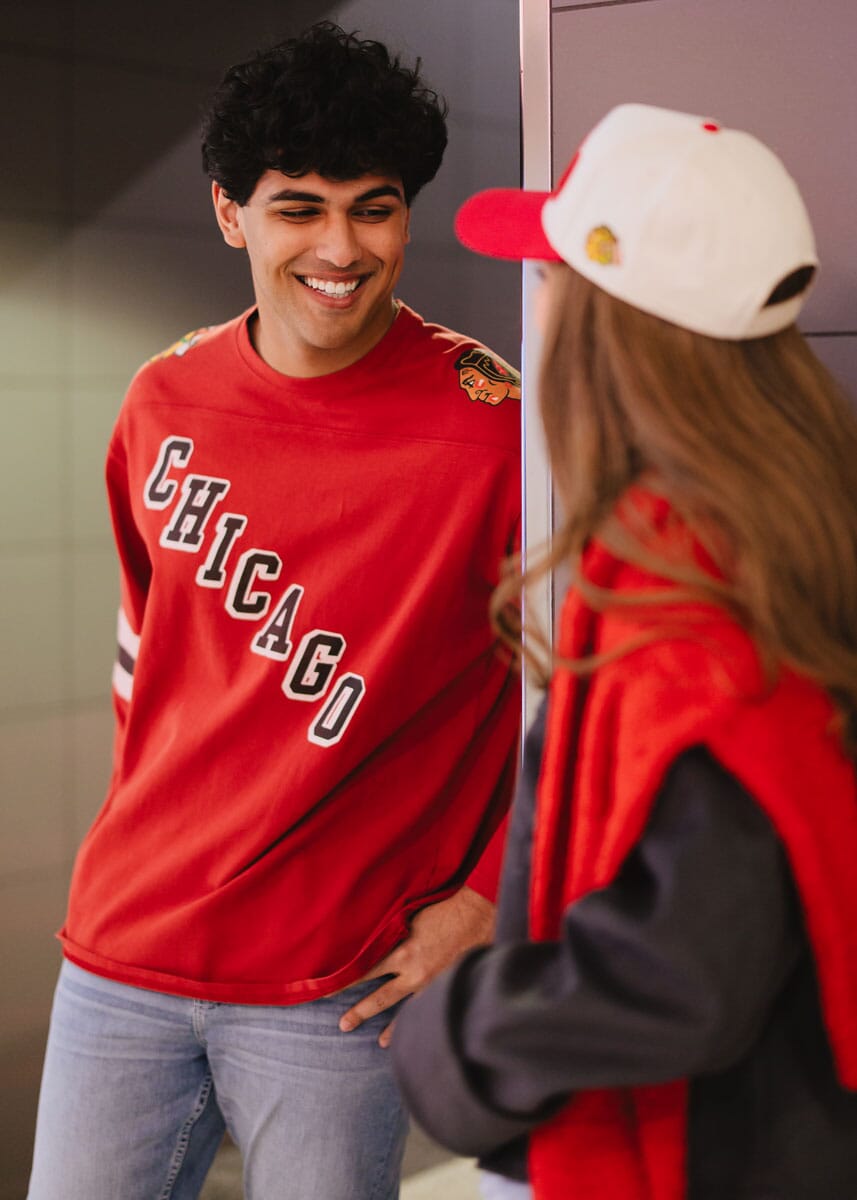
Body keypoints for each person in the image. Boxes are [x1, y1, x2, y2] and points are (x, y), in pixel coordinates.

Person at [27, 23, 521, 1200]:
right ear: (228, 214)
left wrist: (496, 894)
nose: (341, 248)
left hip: (337, 986)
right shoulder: (163, 399)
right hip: (122, 956)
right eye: (298, 207)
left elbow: (582, 688)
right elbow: (145, 668)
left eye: (374, 206)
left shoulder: (494, 424)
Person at [391, 103, 857, 1199]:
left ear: (602, 320)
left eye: (546, 279)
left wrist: (457, 1033)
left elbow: (681, 969)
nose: (534, 306)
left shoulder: (690, 592)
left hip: (709, 1155)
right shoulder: (798, 529)